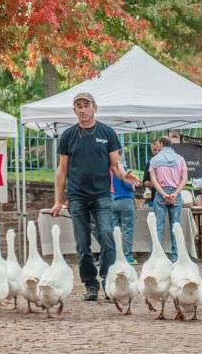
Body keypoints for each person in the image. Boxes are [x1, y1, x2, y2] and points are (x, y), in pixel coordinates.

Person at [51, 92, 139, 302]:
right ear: (74, 111)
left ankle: (108, 282)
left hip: (102, 195)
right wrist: (58, 200)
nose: (82, 109)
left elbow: (115, 165)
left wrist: (123, 175)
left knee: (107, 235)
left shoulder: (107, 133)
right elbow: (62, 170)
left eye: (86, 105)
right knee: (82, 244)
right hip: (77, 196)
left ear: (94, 108)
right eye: (78, 106)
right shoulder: (68, 136)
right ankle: (90, 285)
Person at [149, 136, 188, 262]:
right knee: (175, 226)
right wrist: (175, 194)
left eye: (157, 144)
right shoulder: (180, 159)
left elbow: (153, 180)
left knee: (158, 226)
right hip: (175, 193)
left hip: (161, 193)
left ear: (160, 143)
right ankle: (176, 257)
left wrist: (164, 194)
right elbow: (184, 179)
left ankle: (156, 257)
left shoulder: (154, 159)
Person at [112, 149, 137, 265]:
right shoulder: (124, 170)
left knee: (114, 229)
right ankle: (127, 256)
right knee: (127, 229)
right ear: (120, 155)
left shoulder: (108, 170)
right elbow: (128, 185)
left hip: (111, 201)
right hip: (125, 201)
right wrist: (133, 186)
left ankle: (115, 255)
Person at [142, 140, 159, 207]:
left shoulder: (169, 162)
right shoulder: (149, 163)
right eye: (154, 150)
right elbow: (144, 181)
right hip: (155, 197)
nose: (156, 152)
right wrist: (150, 183)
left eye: (158, 150)